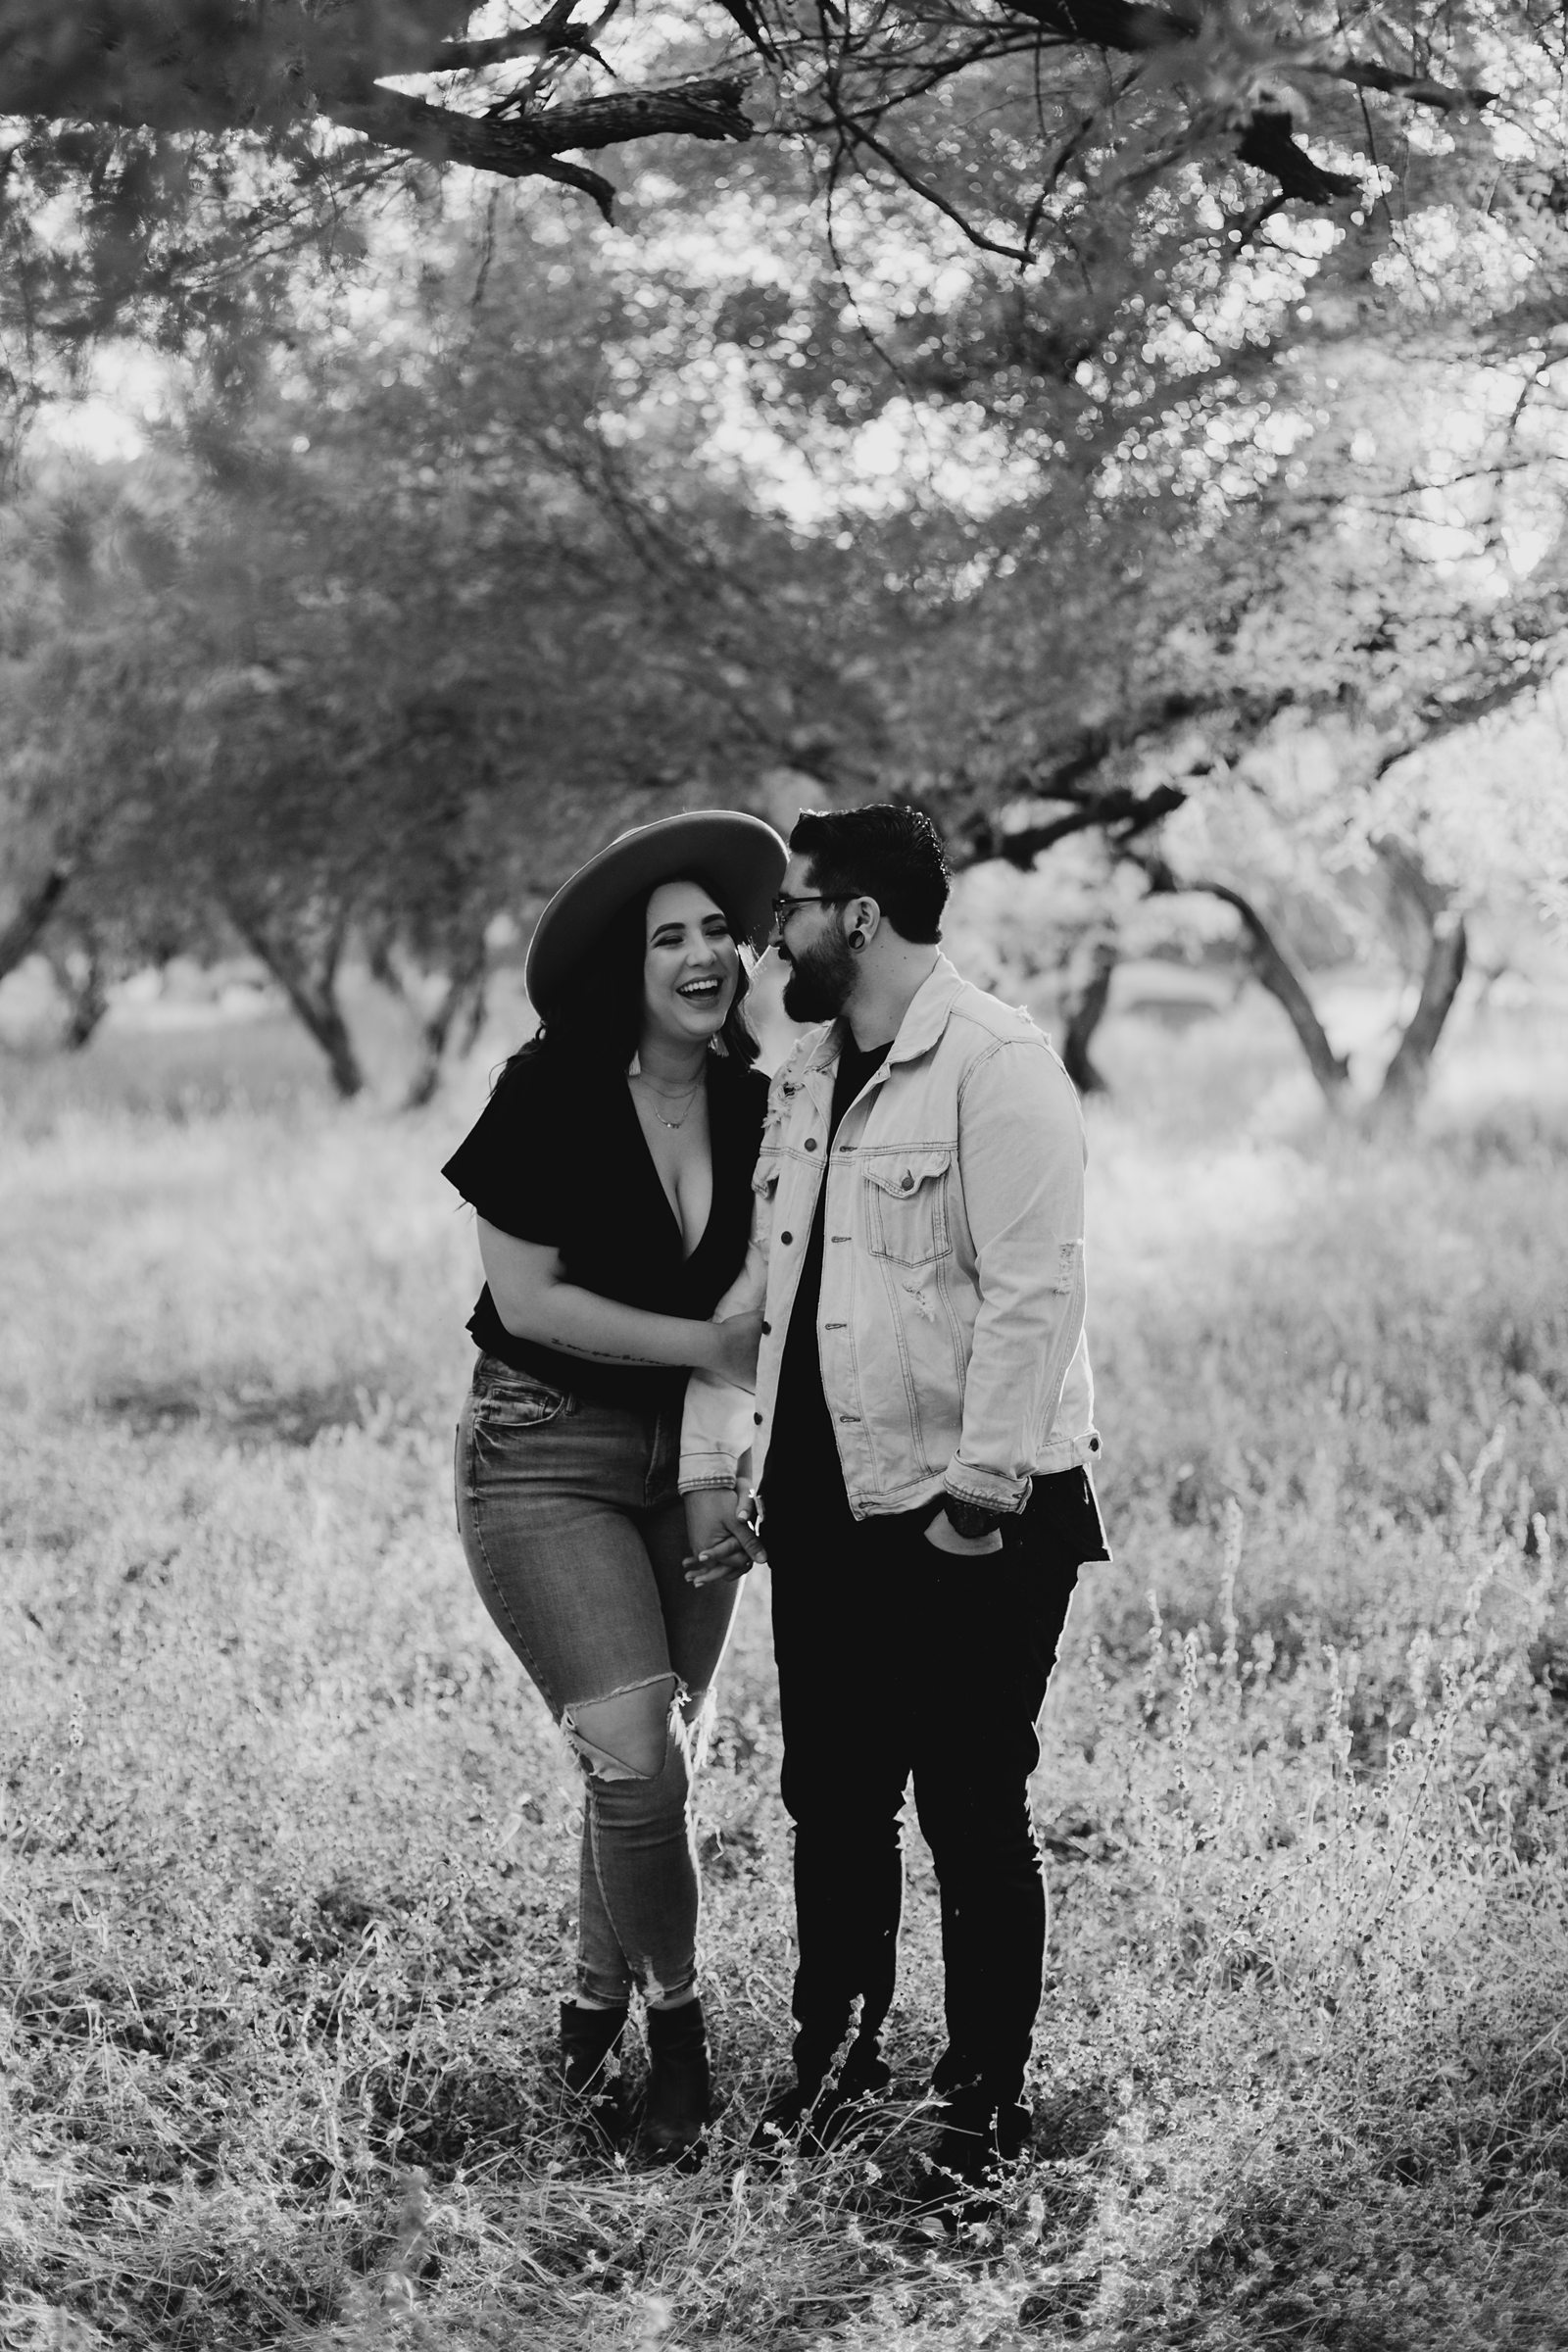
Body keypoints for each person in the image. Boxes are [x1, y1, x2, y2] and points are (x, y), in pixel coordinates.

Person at [680, 802, 1109, 2208]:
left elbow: (1037, 1293)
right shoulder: (804, 1074)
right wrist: (717, 1461)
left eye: (794, 906)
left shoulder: (996, 1062)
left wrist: (977, 1504)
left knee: (972, 1810)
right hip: (823, 1505)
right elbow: (758, 1284)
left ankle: (982, 2107)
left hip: (967, 1507)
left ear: (856, 917)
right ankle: (836, 2067)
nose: (773, 934)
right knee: (835, 1802)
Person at [442, 810, 785, 2164]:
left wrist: (718, 1469)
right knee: (641, 1759)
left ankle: (589, 2013)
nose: (704, 956)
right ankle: (679, 2041)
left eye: (718, 931)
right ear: (624, 968)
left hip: (683, 1468)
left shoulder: (767, 1108)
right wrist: (703, 1342)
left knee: (638, 1767)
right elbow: (529, 1296)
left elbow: (768, 1312)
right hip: (543, 1453)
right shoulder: (550, 1090)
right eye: (669, 938)